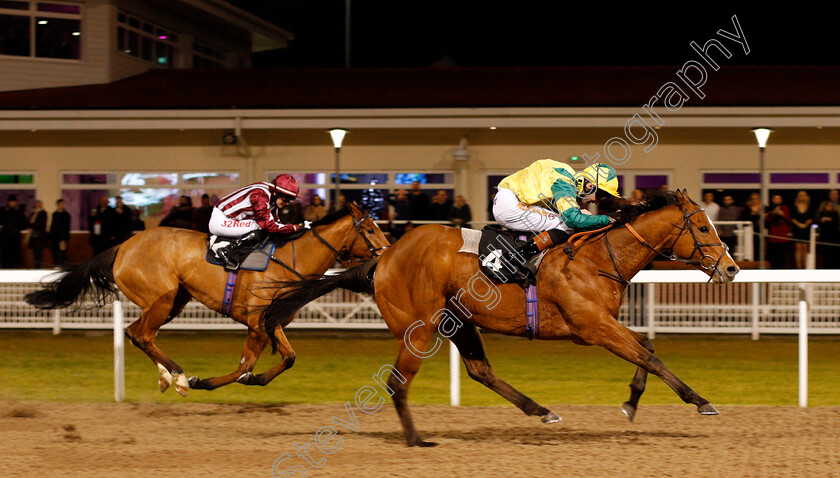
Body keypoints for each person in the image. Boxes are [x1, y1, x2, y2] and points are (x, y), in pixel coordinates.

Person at [493, 159, 620, 274]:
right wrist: (608, 219)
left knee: (564, 221)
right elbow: (572, 220)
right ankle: (514, 258)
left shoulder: (567, 177)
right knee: (566, 226)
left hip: (510, 201)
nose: (597, 202)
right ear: (590, 186)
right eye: (601, 195)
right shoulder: (565, 181)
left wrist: (580, 215)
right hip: (510, 205)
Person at [209, 174, 311, 271]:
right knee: (260, 227)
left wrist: (297, 228)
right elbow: (269, 226)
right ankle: (228, 251)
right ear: (275, 193)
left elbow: (277, 223)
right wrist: (296, 227)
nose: (287, 203)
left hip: (232, 219)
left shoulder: (271, 198)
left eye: (290, 200)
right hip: (221, 220)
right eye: (285, 199)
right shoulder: (260, 195)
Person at [0, 195, 27, 268]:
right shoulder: (3, 211)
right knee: (5, 251)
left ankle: (15, 265)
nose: (12, 203)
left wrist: (17, 228)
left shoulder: (19, 211)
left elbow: (23, 223)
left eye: (13, 202)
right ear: (8, 202)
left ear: (15, 202)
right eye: (10, 202)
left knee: (15, 251)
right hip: (5, 234)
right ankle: (5, 265)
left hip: (15, 235)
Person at [765, 194, 791, 269]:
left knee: (782, 257)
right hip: (772, 237)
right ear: (772, 200)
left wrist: (782, 214)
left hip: (782, 237)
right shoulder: (769, 209)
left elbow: (788, 220)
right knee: (773, 257)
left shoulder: (785, 208)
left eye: (779, 198)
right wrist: (773, 213)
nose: (777, 200)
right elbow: (767, 220)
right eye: (775, 198)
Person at [790, 191, 814, 269]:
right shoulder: (794, 206)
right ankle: (799, 267)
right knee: (798, 248)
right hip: (797, 229)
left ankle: (805, 267)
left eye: (804, 195)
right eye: (800, 195)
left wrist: (805, 225)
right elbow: (792, 218)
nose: (802, 197)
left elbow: (811, 218)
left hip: (806, 229)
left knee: (805, 248)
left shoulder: (810, 206)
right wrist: (799, 224)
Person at [816, 201, 840, 268]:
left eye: (831, 206)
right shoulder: (821, 213)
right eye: (828, 205)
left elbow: (836, 224)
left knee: (835, 257)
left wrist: (830, 221)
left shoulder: (835, 213)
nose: (830, 207)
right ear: (825, 206)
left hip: (834, 238)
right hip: (824, 237)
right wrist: (822, 221)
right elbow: (818, 224)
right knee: (825, 257)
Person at [49, 199, 71, 266]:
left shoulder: (66, 214)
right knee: (54, 251)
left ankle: (64, 265)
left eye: (63, 204)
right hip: (54, 236)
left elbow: (67, 227)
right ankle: (56, 265)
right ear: (58, 205)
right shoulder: (54, 214)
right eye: (61, 204)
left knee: (62, 252)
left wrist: (66, 238)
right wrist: (50, 236)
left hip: (62, 237)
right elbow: (52, 226)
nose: (62, 205)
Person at [741, 192, 762, 262]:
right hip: (748, 232)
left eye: (756, 198)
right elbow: (744, 218)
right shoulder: (747, 208)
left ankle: (758, 261)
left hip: (759, 231)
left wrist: (755, 214)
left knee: (759, 248)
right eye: (752, 199)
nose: (754, 200)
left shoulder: (762, 208)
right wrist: (754, 214)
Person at [27, 199, 48, 268]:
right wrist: (31, 225)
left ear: (41, 205)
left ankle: (38, 266)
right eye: (35, 204)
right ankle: (36, 265)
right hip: (33, 236)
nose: (37, 205)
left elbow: (40, 224)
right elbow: (28, 223)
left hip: (40, 236)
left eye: (38, 204)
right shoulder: (33, 213)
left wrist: (32, 225)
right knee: (35, 252)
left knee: (39, 252)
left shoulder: (43, 213)